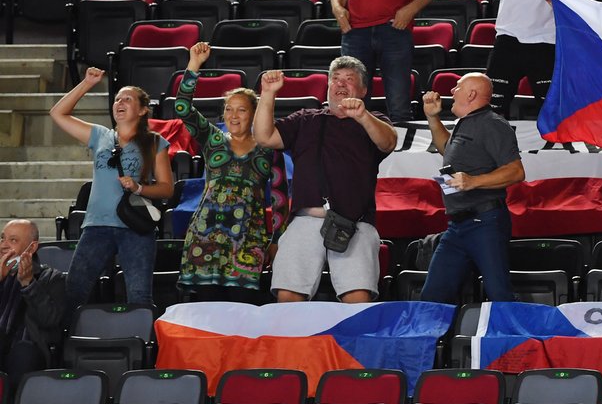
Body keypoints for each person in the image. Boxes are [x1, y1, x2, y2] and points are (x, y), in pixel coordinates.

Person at [253, 58, 397, 303]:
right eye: (336, 79)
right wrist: (267, 95)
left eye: (349, 79)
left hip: (354, 223)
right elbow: (264, 137)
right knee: (288, 297)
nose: (341, 84)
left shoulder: (373, 120)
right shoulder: (306, 118)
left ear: (362, 90)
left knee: (358, 299)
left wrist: (362, 116)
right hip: (305, 219)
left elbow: (388, 142)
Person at [174, 43, 290, 303]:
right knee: (207, 314)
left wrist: (276, 240)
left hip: (248, 241)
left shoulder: (268, 147)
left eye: (241, 109)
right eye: (228, 109)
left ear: (254, 114)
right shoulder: (212, 139)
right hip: (205, 239)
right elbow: (182, 108)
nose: (233, 116)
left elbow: (280, 200)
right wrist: (194, 65)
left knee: (243, 315)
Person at [50, 68, 174, 309]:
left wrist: (139, 188)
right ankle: (66, 344)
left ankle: (142, 346)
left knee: (139, 298)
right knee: (74, 292)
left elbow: (167, 188)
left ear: (142, 110)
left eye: (128, 99)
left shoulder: (154, 141)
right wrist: (87, 83)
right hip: (96, 226)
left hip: (136, 228)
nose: (120, 102)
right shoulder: (100, 135)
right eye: (117, 98)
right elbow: (57, 113)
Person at [418, 73, 525, 303]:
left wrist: (473, 181)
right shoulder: (466, 123)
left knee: (499, 293)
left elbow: (516, 171)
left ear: (472, 94)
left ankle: (515, 340)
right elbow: (446, 151)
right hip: (457, 226)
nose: (452, 92)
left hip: (484, 222)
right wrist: (433, 118)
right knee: (433, 296)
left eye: (457, 87)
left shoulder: (492, 124)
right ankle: (435, 339)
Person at [0, 220, 65, 386]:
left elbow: (49, 320)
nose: (4, 245)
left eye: (13, 240)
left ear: (33, 247)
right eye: (2, 239)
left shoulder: (52, 278)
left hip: (29, 349)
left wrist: (28, 283)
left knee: (23, 352)